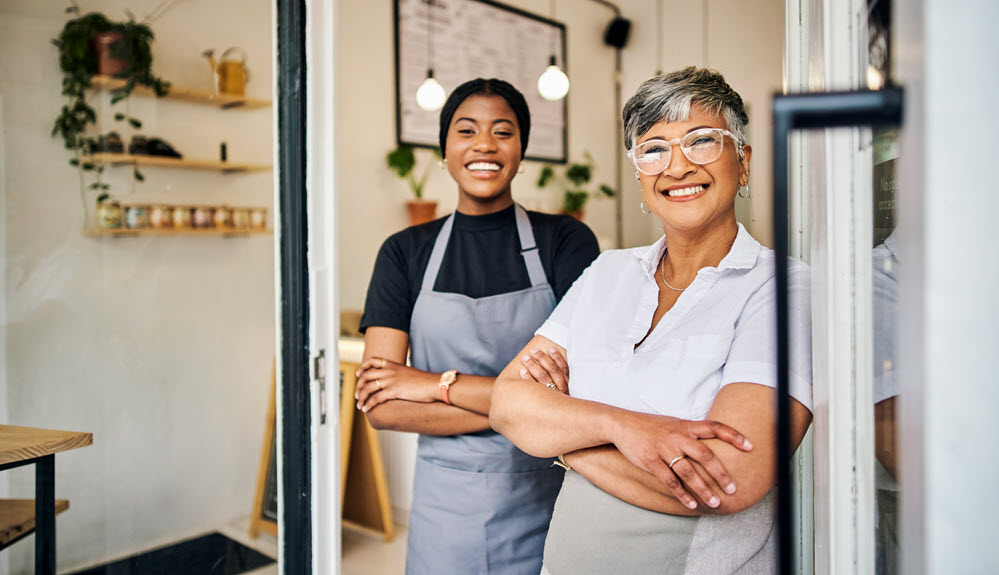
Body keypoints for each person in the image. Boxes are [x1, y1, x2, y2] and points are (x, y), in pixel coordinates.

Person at [490, 67, 814, 574]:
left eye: (702, 141)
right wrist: (624, 428)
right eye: (654, 148)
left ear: (743, 162)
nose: (677, 166)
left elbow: (730, 478)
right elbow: (507, 403)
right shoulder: (607, 271)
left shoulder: (782, 287)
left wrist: (563, 437)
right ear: (640, 173)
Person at [354, 78, 601, 575]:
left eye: (502, 131)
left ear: (522, 150)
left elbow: (580, 391)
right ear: (445, 149)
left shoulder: (566, 242)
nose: (485, 144)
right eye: (467, 130)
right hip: (445, 517)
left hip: (550, 499)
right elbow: (381, 407)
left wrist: (431, 386)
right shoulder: (404, 252)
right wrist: (530, 407)